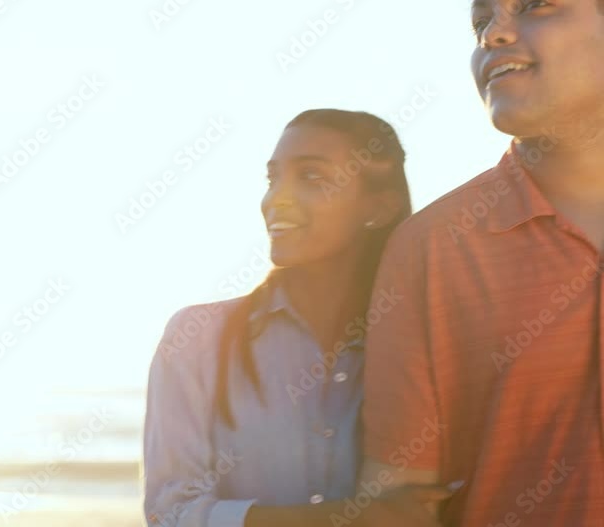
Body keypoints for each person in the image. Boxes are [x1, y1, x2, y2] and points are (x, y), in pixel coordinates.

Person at [142, 109, 456, 527]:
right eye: (273, 178)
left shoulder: (425, 343)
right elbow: (171, 514)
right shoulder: (196, 338)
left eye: (311, 176)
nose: (278, 198)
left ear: (379, 207)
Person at [359, 1, 604, 525]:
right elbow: (396, 502)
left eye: (536, 5)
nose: (493, 34)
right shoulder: (431, 249)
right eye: (480, 22)